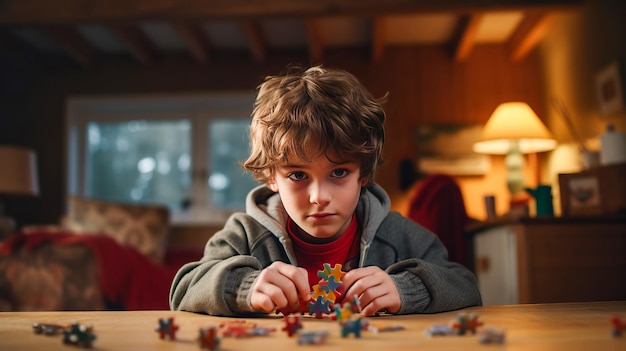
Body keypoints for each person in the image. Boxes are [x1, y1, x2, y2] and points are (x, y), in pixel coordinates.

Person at [169, 65, 481, 317]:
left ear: (363, 174)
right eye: (298, 175)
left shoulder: (398, 235)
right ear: (271, 178)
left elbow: (465, 285)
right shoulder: (245, 235)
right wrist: (244, 288)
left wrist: (405, 289)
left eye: (339, 172)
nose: (319, 196)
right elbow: (182, 289)